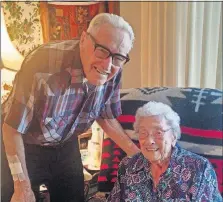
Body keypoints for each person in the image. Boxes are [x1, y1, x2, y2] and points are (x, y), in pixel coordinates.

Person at [1, 13, 140, 202]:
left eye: (118, 57)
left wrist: (137, 154)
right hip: (21, 142)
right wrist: (22, 185)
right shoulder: (43, 62)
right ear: (83, 40)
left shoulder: (114, 68)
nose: (107, 64)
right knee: (17, 196)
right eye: (101, 50)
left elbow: (105, 116)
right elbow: (12, 128)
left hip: (65, 142)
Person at [107, 101, 222, 202]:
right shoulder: (127, 166)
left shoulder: (199, 169)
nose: (149, 140)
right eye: (143, 133)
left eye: (158, 133)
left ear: (173, 137)